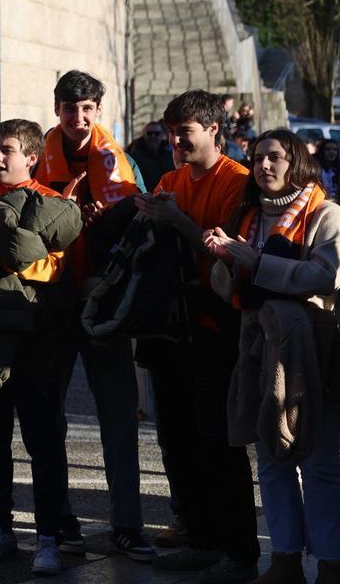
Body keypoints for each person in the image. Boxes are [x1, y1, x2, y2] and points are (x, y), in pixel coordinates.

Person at [205, 129, 340, 584]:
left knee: (319, 463)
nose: (264, 165)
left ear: (296, 161)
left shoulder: (326, 213)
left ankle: (330, 563)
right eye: (258, 157)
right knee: (270, 458)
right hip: (259, 353)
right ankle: (283, 559)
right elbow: (230, 291)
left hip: (317, 355)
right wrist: (224, 263)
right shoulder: (247, 217)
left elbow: (327, 276)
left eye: (275, 157)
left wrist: (255, 262)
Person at [136, 90, 259, 584]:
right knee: (177, 439)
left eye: (183, 132)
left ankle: (239, 550)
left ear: (212, 130)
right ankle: (200, 535)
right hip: (169, 330)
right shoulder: (170, 178)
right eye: (171, 132)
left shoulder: (237, 182)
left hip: (213, 330)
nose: (175, 141)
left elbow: (225, 253)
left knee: (218, 443)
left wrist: (175, 221)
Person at [34, 71, 154, 562]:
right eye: (68, 108)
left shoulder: (123, 164)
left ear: (99, 110)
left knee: (118, 419)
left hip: (104, 305)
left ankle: (127, 524)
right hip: (52, 303)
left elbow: (142, 228)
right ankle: (61, 522)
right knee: (47, 418)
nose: (78, 118)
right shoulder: (35, 156)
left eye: (86, 109)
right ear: (57, 109)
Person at [0, 119, 79, 576]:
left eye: (7, 149)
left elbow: (53, 267)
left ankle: (49, 536)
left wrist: (8, 256)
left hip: (33, 341)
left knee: (43, 440)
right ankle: (0, 528)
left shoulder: (52, 204)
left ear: (32, 157)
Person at [127, 121, 176, 187]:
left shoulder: (170, 156)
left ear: (162, 135)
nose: (153, 136)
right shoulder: (134, 158)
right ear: (144, 135)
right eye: (149, 133)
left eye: (157, 133)